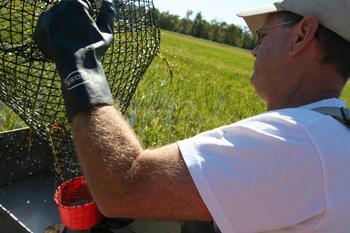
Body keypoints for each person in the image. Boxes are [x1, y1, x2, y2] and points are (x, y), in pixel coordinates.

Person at [34, 0, 350, 232]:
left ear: (301, 35)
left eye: (262, 37)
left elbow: (123, 188)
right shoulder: (333, 132)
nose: (255, 51)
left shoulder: (298, 142)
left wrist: (81, 62)